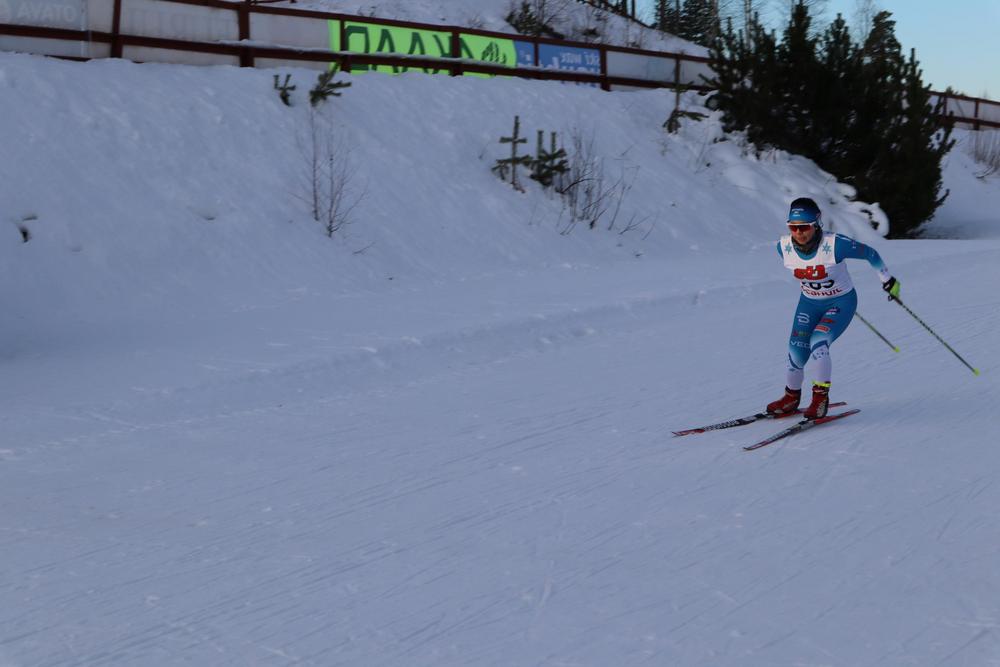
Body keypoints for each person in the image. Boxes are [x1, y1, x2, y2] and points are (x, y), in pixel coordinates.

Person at [766, 197, 900, 419]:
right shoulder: (783, 247)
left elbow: (870, 253)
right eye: (793, 227)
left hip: (840, 302)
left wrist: (888, 280)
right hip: (809, 303)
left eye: (804, 227)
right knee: (796, 351)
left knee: (818, 343)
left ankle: (820, 400)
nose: (798, 233)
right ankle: (791, 397)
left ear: (816, 224)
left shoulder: (835, 245)